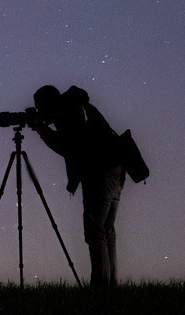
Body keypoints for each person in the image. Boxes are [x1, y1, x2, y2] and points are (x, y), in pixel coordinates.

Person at [28, 85, 124, 287]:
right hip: (115, 169)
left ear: (49, 103)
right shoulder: (78, 106)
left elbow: (67, 148)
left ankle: (99, 287)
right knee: (106, 231)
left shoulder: (67, 112)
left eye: (41, 108)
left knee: (95, 232)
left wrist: (42, 130)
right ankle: (110, 285)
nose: (41, 113)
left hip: (98, 173)